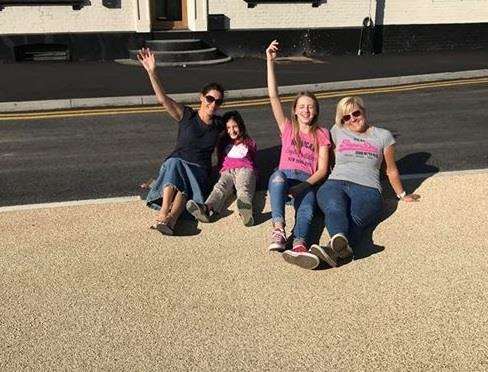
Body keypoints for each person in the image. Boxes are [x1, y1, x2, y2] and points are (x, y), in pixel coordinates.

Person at [310, 96, 421, 267]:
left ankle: (330, 252)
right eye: (346, 117)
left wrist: (402, 195)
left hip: (368, 188)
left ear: (363, 111)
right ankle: (338, 247)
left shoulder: (383, 136)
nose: (352, 119)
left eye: (355, 113)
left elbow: (390, 169)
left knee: (356, 219)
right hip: (335, 183)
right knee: (334, 208)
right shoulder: (337, 131)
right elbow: (326, 160)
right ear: (342, 120)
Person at [137, 47, 225, 235]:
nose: (213, 104)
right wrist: (152, 73)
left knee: (182, 180)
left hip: (199, 170)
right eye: (210, 98)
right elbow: (163, 99)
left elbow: (229, 144)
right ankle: (166, 216)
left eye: (218, 102)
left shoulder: (219, 125)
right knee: (176, 166)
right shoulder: (187, 115)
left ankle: (169, 219)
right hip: (176, 165)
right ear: (202, 97)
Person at [266, 40, 330, 269]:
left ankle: (300, 244)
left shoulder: (322, 133)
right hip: (284, 178)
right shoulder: (287, 128)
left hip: (307, 180)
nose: (306, 110)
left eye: (310, 107)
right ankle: (279, 229)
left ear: (316, 111)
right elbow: (273, 97)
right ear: (294, 110)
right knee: (276, 177)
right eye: (301, 106)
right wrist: (269, 62)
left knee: (307, 208)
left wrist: (303, 187)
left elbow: (322, 169)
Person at [186, 110, 257, 226]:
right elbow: (220, 159)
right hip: (227, 171)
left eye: (235, 126)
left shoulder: (249, 142)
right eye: (228, 128)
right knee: (220, 188)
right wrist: (219, 172)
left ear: (241, 126)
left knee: (243, 187)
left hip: (244, 168)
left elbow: (252, 159)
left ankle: (245, 210)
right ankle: (207, 208)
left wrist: (254, 174)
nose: (232, 130)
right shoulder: (222, 143)